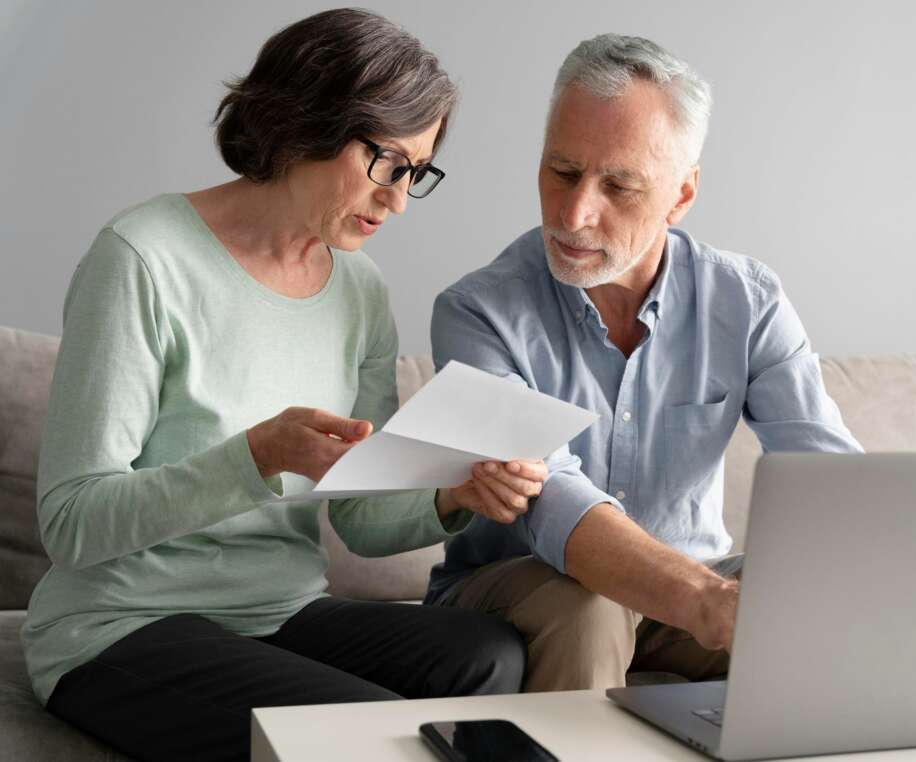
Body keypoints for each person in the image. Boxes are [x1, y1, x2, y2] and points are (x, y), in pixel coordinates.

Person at [21, 10, 545, 762]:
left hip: (279, 612)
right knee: (364, 727)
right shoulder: (141, 258)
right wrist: (256, 455)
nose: (397, 199)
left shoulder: (359, 291)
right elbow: (72, 524)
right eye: (387, 163)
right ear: (305, 122)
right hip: (121, 625)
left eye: (416, 173)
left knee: (488, 653)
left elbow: (362, 520)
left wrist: (454, 495)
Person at [425, 33, 863, 691]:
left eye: (619, 185)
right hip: (523, 587)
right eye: (562, 171)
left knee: (834, 601)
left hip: (692, 583)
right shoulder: (476, 312)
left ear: (681, 196)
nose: (574, 214)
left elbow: (827, 475)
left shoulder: (746, 299)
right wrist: (704, 601)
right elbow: (548, 497)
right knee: (589, 606)